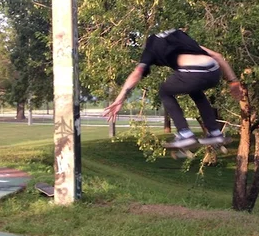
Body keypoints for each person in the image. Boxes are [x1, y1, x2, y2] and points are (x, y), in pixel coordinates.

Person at [102, 28, 242, 149]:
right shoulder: (180, 37)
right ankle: (215, 132)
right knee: (194, 90)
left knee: (164, 90)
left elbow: (137, 73)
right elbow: (217, 56)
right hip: (214, 71)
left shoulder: (150, 47)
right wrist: (233, 82)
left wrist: (120, 99)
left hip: (194, 72)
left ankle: (185, 133)